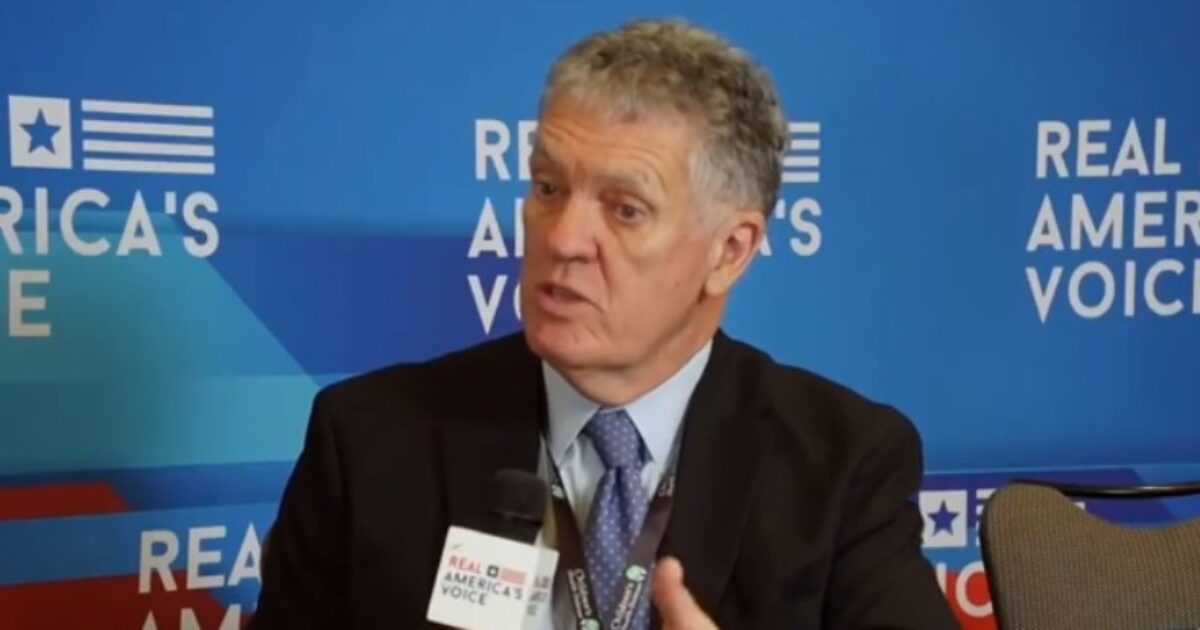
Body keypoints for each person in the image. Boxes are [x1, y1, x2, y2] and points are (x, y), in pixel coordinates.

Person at [251, 19, 957, 630]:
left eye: (625, 209)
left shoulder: (842, 464)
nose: (563, 238)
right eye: (549, 189)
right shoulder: (369, 441)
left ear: (729, 251)